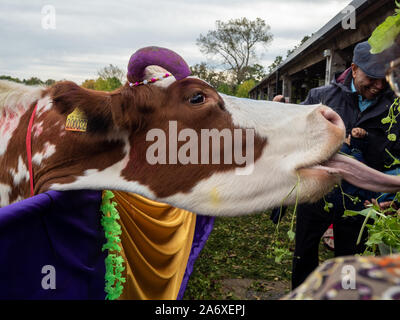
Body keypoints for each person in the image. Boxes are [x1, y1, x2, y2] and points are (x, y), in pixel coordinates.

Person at [291, 41, 400, 289]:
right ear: (354, 69)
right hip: (317, 194)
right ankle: (302, 293)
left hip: (360, 203)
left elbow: (396, 154)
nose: (379, 85)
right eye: (372, 78)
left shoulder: (394, 105)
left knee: (350, 260)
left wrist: (390, 194)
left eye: (384, 78)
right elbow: (297, 138)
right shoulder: (321, 97)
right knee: (304, 252)